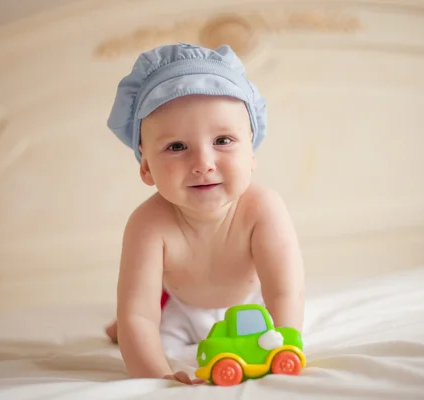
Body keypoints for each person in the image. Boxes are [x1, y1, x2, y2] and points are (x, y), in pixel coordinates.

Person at [104, 42, 305, 385]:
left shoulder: (263, 209)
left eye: (223, 140)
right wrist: (159, 376)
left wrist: (279, 345)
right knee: (134, 332)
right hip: (180, 311)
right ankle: (116, 330)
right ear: (147, 166)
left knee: (272, 323)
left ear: (252, 153)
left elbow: (285, 291)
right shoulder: (148, 225)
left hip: (252, 308)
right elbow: (140, 314)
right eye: (177, 147)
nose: (203, 164)